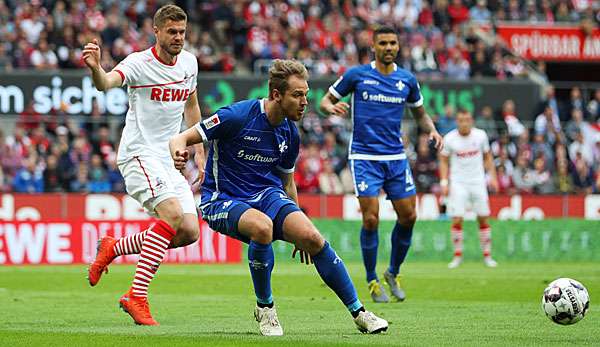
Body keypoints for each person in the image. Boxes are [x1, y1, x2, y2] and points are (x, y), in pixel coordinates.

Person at [169, 59, 388, 336]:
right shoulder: (236, 116)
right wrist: (179, 154)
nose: (304, 101)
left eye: (306, 94)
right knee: (262, 228)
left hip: (267, 195)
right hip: (222, 198)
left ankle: (360, 313)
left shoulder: (290, 133)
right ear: (276, 95)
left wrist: (297, 225)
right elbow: (180, 139)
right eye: (297, 95)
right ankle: (266, 308)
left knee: (313, 238)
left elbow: (287, 181)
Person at [83, 5, 205, 326]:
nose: (178, 37)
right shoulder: (139, 63)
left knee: (188, 231)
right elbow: (106, 83)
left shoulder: (190, 63)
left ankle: (113, 247)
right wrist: (96, 68)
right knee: (173, 217)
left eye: (182, 32)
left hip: (168, 158)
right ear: (157, 32)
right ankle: (136, 295)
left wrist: (199, 151)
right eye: (172, 32)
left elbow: (192, 107)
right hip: (139, 153)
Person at [319, 26, 443, 303]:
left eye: (393, 43)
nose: (388, 47)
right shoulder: (357, 75)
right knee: (371, 218)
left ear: (398, 47)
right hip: (364, 156)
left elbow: (420, 114)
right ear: (373, 46)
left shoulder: (407, 80)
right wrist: (330, 108)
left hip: (395, 157)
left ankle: (393, 272)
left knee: (409, 216)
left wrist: (432, 130)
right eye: (383, 43)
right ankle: (372, 279)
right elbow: (325, 101)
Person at [439, 110, 498, 269]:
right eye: (461, 120)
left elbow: (487, 157)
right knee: (457, 218)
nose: (464, 123)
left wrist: (492, 176)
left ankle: (487, 256)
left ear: (471, 121)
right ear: (457, 122)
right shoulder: (450, 138)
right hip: (458, 182)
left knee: (483, 217)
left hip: (477, 182)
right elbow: (443, 161)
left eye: (466, 120)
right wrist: (444, 182)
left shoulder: (481, 136)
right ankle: (457, 256)